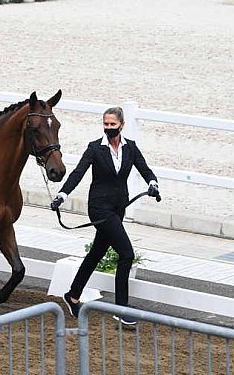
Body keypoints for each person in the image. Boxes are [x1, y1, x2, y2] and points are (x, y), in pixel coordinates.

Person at [50, 106, 159, 325]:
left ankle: (72, 295)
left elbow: (145, 170)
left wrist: (153, 183)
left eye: (112, 125)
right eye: (106, 124)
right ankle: (121, 308)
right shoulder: (95, 148)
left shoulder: (131, 148)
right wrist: (62, 195)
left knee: (97, 252)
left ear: (121, 125)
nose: (108, 128)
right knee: (126, 254)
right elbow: (78, 173)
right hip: (100, 208)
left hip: (119, 208)